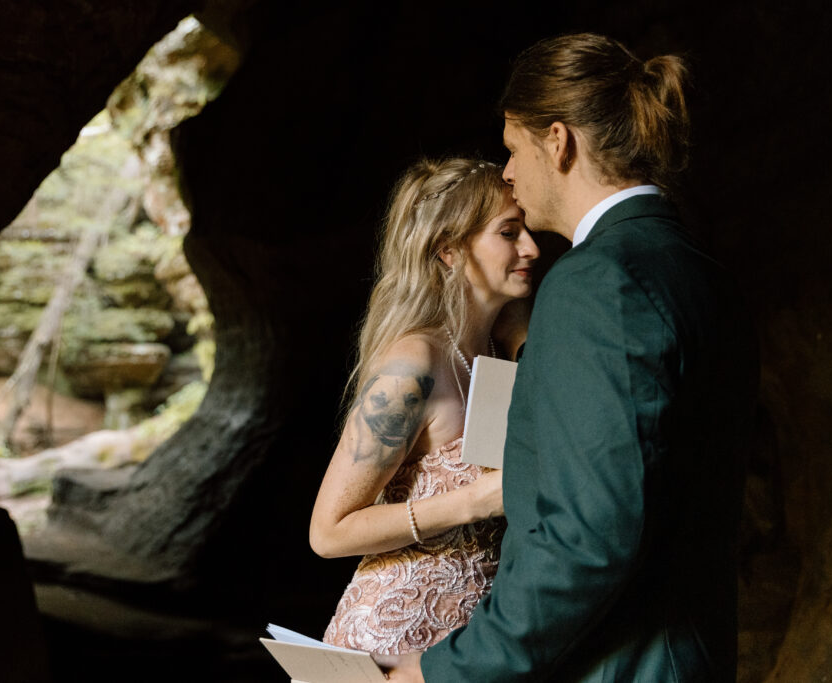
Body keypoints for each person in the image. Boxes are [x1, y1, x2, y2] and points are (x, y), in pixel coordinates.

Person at [379, 33, 758, 681]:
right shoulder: (694, 266)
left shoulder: (596, 281)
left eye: (512, 148)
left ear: (558, 141)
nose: (506, 172)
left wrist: (450, 668)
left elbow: (588, 538)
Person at [310, 157, 541, 654]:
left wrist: (520, 333)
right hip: (392, 640)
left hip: (468, 647)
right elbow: (327, 533)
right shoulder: (412, 363)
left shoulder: (500, 352)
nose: (532, 248)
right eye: (509, 232)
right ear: (450, 250)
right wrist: (471, 501)